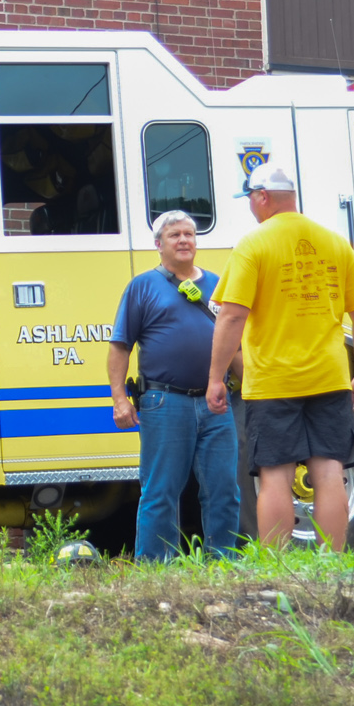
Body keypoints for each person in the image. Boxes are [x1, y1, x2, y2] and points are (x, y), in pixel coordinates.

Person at [204, 163, 354, 552]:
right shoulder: (335, 243)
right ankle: (333, 561)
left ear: (262, 197)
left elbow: (232, 315)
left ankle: (278, 565)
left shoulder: (254, 244)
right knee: (331, 472)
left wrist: (216, 377)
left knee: (275, 475)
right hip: (329, 377)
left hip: (272, 380)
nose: (250, 206)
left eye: (250, 198)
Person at [108, 210, 242, 560]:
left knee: (224, 489)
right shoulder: (142, 286)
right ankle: (155, 569)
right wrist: (120, 399)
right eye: (174, 235)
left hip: (216, 403)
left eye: (189, 234)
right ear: (158, 245)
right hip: (164, 403)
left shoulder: (218, 284)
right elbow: (120, 346)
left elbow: (235, 347)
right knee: (161, 491)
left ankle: (223, 563)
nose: (184, 240)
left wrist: (255, 388)